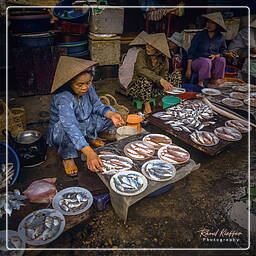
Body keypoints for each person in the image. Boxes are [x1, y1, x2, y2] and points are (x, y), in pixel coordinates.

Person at [47, 56, 125, 176]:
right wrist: (90, 153)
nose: (85, 87)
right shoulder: (63, 97)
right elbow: (70, 126)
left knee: (112, 112)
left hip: (85, 123)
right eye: (80, 84)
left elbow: (97, 105)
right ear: (69, 82)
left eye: (88, 83)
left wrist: (112, 115)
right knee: (65, 128)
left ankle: (90, 137)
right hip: (64, 131)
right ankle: (67, 157)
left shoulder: (89, 87)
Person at [186, 12, 236, 88]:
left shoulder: (220, 37)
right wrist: (188, 69)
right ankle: (201, 82)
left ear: (217, 26)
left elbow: (223, 51)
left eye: (212, 23)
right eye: (208, 22)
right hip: (198, 62)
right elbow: (191, 53)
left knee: (221, 59)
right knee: (206, 61)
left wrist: (217, 55)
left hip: (212, 62)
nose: (208, 25)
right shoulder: (200, 35)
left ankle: (215, 79)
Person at [127, 33, 173, 115]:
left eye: (151, 46)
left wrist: (164, 82)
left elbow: (164, 74)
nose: (147, 47)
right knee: (145, 79)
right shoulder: (142, 54)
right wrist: (159, 79)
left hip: (154, 89)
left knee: (175, 76)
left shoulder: (163, 59)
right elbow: (140, 69)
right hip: (138, 89)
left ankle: (165, 99)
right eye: (147, 44)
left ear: (158, 50)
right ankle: (147, 106)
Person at [229, 18, 256, 83]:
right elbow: (254, 49)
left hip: (245, 53)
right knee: (252, 55)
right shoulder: (248, 32)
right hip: (234, 55)